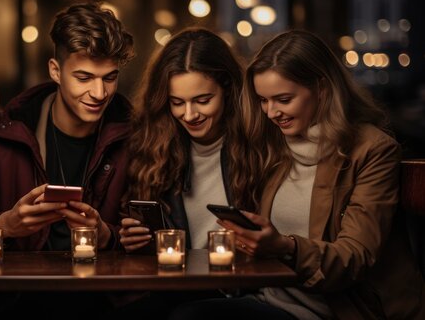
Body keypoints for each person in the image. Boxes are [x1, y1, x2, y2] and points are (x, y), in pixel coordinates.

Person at [170, 30, 425, 319]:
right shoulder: (273, 144)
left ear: (322, 88)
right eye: (263, 100)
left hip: (338, 309)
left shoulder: (372, 150)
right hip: (269, 298)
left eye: (283, 99)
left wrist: (286, 247)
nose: (271, 112)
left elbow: (355, 257)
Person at [0, 2, 134, 317]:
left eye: (110, 78)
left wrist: (106, 235)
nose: (100, 92)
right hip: (12, 302)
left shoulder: (138, 139)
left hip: (104, 304)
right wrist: (5, 225)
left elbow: (153, 238)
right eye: (84, 77)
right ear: (55, 71)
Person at [114, 27, 245, 318]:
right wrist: (136, 242)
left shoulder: (256, 145)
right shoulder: (155, 146)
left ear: (227, 88)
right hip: (180, 288)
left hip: (243, 288)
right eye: (177, 103)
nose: (189, 114)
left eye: (202, 100)